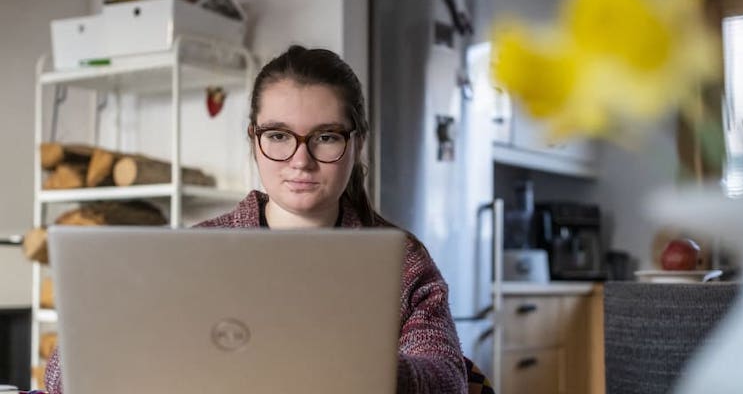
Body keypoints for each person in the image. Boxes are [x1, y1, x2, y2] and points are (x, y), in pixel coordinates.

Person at [45, 45, 469, 394]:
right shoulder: (190, 253)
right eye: (279, 136)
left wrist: (354, 369)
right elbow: (62, 375)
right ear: (255, 139)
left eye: (325, 137)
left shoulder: (403, 260)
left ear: (356, 143)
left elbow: (447, 378)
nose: (300, 161)